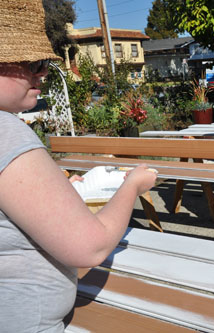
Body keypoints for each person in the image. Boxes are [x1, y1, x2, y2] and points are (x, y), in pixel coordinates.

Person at [0, 1, 157, 331]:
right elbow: (90, 248)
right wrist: (132, 185)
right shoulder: (6, 132)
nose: (43, 72)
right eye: (34, 62)